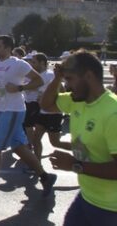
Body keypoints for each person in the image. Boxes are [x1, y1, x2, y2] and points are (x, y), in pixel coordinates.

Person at [0, 35, 57, 204]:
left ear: (8, 48)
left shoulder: (18, 64)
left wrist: (20, 87)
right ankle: (46, 177)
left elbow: (38, 80)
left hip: (13, 110)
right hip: (2, 110)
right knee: (19, 147)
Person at [41, 51, 117, 225]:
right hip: (86, 198)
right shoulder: (77, 100)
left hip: (110, 209)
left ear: (89, 76)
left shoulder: (113, 113)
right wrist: (57, 79)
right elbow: (46, 104)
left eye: (70, 79)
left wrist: (75, 165)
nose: (66, 86)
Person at [30, 53, 71, 162]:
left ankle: (81, 150)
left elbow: (62, 90)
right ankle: (37, 164)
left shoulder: (49, 75)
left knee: (55, 143)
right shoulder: (37, 75)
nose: (31, 64)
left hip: (53, 114)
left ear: (42, 63)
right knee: (35, 139)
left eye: (34, 62)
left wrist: (53, 101)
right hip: (42, 112)